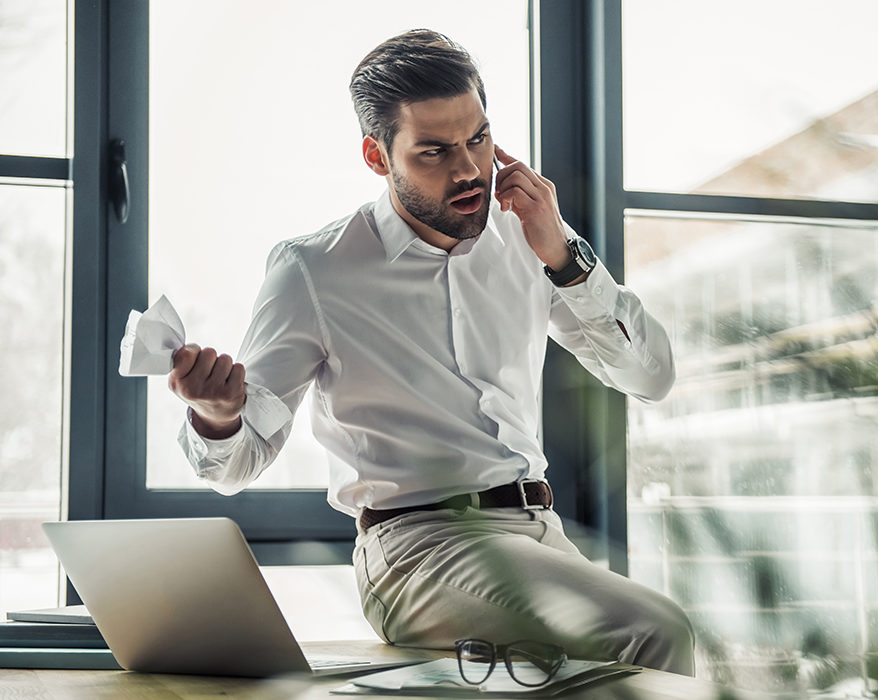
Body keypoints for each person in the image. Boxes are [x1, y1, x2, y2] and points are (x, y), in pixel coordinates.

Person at [168, 29, 694, 675]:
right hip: (416, 549)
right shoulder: (314, 269)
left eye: (478, 139)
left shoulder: (533, 237)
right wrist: (218, 416)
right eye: (434, 152)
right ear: (375, 154)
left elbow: (651, 377)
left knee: (617, 673)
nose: (469, 168)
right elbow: (234, 466)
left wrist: (564, 257)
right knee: (652, 632)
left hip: (539, 534)